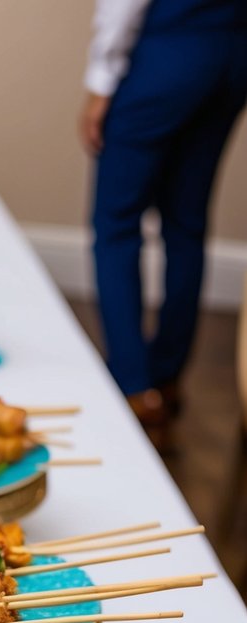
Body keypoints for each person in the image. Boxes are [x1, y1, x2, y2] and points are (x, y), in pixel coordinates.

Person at [80, 0, 247, 430]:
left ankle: (133, 385)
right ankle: (167, 380)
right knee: (186, 222)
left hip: (169, 53)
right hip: (232, 55)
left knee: (115, 224)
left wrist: (100, 82)